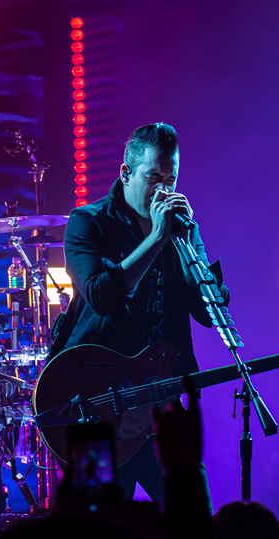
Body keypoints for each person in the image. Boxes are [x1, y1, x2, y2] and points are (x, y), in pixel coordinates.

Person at [51, 122, 230, 501]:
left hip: (160, 401)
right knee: (96, 528)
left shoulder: (180, 228)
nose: (164, 190)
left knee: (193, 520)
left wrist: (185, 241)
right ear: (126, 173)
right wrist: (155, 238)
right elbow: (102, 296)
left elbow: (206, 311)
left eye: (172, 178)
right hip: (94, 404)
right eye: (154, 177)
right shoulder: (87, 222)